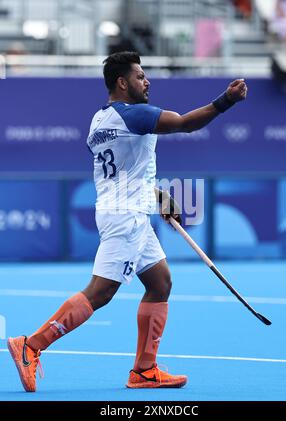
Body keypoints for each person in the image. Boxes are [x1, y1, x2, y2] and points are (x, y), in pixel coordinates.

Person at [7, 51, 247, 392]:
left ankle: (144, 371)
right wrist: (227, 100)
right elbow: (185, 123)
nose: (146, 81)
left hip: (126, 209)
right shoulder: (135, 116)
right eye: (140, 76)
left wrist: (158, 197)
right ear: (123, 82)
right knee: (101, 292)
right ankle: (31, 345)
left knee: (160, 282)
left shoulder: (99, 120)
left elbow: (127, 170)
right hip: (126, 217)